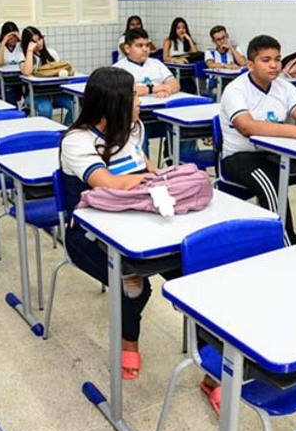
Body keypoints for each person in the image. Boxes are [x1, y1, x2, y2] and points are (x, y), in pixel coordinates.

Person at [60, 66, 180, 381]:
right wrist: (154, 182)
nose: (140, 101)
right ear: (112, 103)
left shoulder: (132, 130)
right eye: (133, 96)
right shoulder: (77, 141)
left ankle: (213, 363)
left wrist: (158, 181)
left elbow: (151, 172)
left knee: (193, 271)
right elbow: (109, 185)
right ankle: (129, 342)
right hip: (89, 236)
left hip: (140, 226)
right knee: (134, 288)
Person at [220, 35, 296, 244]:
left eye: (277, 59)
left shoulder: (283, 86)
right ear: (250, 65)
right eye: (266, 60)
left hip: (277, 155)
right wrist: (295, 131)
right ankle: (286, 244)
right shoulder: (235, 90)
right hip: (240, 158)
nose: (274, 65)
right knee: (271, 184)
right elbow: (247, 127)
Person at [113, 28, 181, 156]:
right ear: (127, 48)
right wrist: (153, 88)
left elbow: (175, 83)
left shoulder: (156, 63)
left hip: (162, 113)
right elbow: (124, 90)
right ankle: (145, 171)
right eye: (139, 46)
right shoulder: (118, 68)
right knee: (139, 138)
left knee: (182, 132)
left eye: (147, 45)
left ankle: (179, 166)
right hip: (135, 117)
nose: (145, 49)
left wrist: (167, 90)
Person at [19, 26, 74, 125]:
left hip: (55, 91)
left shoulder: (51, 53)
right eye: (34, 41)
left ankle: (65, 131)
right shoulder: (23, 55)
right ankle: (47, 134)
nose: (39, 43)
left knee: (75, 105)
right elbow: (27, 72)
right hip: (35, 94)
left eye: (40, 39)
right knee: (46, 109)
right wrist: (30, 51)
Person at [0, 21, 23, 105]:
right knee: (10, 92)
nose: (13, 40)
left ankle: (26, 110)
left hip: (19, 79)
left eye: (15, 37)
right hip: (3, 81)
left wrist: (22, 39)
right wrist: (3, 42)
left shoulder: (21, 46)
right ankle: (15, 114)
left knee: (29, 89)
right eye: (10, 38)